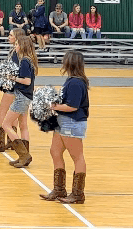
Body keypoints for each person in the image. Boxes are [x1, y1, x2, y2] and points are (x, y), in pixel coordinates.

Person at [41, 50, 90, 204]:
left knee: (77, 156)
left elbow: (73, 106)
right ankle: (59, 189)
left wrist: (53, 106)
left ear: (70, 63)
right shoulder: (71, 80)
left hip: (72, 122)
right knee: (55, 151)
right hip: (63, 121)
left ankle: (78, 194)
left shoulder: (76, 83)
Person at [0, 28, 26, 154]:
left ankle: (0, 143)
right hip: (16, 87)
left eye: (11, 35)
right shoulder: (16, 51)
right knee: (12, 116)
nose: (8, 36)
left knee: (2, 112)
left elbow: (15, 71)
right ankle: (11, 141)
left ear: (17, 37)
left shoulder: (17, 53)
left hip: (12, 88)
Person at [2, 35, 38, 168]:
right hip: (26, 96)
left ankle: (24, 155)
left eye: (17, 44)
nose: (15, 46)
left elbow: (27, 81)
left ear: (22, 46)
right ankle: (25, 155)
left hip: (22, 97)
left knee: (6, 124)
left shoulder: (24, 61)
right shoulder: (29, 60)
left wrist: (12, 78)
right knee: (23, 125)